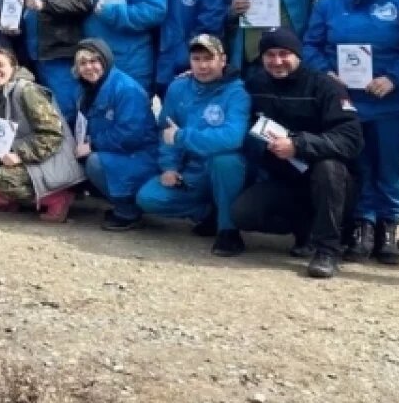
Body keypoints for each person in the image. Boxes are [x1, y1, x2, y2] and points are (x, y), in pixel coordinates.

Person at [304, 0, 399, 264]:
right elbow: (311, 45)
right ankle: (363, 225)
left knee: (389, 165)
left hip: (389, 99)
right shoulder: (329, 3)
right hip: (348, 101)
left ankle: (388, 227)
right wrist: (327, 73)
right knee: (360, 164)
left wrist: (394, 78)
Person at [232, 29, 363, 279]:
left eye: (284, 54)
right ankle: (306, 229)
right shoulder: (256, 84)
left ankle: (328, 250)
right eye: (270, 55)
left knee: (329, 168)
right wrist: (198, 76)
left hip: (332, 183)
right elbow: (229, 87)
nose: (277, 61)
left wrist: (299, 145)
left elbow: (351, 138)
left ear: (298, 55)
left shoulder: (325, 86)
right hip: (286, 178)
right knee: (242, 214)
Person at [135, 35, 249, 254]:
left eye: (209, 58)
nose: (203, 65)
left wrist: (183, 137)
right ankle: (209, 212)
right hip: (191, 172)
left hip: (223, 170)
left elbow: (232, 137)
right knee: (147, 198)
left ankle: (229, 230)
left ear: (222, 59)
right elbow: (166, 130)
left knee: (225, 160)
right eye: (196, 59)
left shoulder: (237, 93)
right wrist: (170, 166)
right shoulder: (178, 88)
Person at [0, 48, 81, 219]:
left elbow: (52, 135)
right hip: (24, 155)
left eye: (0, 65)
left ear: (13, 67)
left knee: (1, 179)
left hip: (49, 159)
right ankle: (6, 198)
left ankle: (57, 198)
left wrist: (19, 154)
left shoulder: (27, 91)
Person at [73, 38, 160, 231]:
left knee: (95, 162)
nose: (89, 67)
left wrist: (93, 144)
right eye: (83, 63)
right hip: (118, 150)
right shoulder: (86, 89)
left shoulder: (126, 89)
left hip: (141, 154)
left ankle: (128, 211)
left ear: (106, 60)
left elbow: (131, 134)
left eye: (94, 61)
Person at [19, 0, 94, 120]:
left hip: (60, 52)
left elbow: (84, 1)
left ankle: (75, 147)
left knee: (67, 107)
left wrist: (45, 5)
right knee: (48, 110)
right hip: (38, 53)